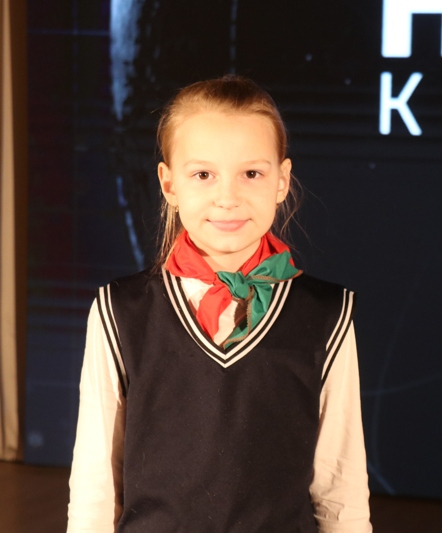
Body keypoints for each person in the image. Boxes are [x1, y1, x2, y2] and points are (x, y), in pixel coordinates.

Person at [67, 75, 372, 532]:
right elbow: (95, 481)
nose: (227, 198)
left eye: (251, 174)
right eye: (203, 175)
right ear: (169, 184)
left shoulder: (326, 314)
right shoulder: (120, 311)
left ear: (282, 180)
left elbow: (340, 486)